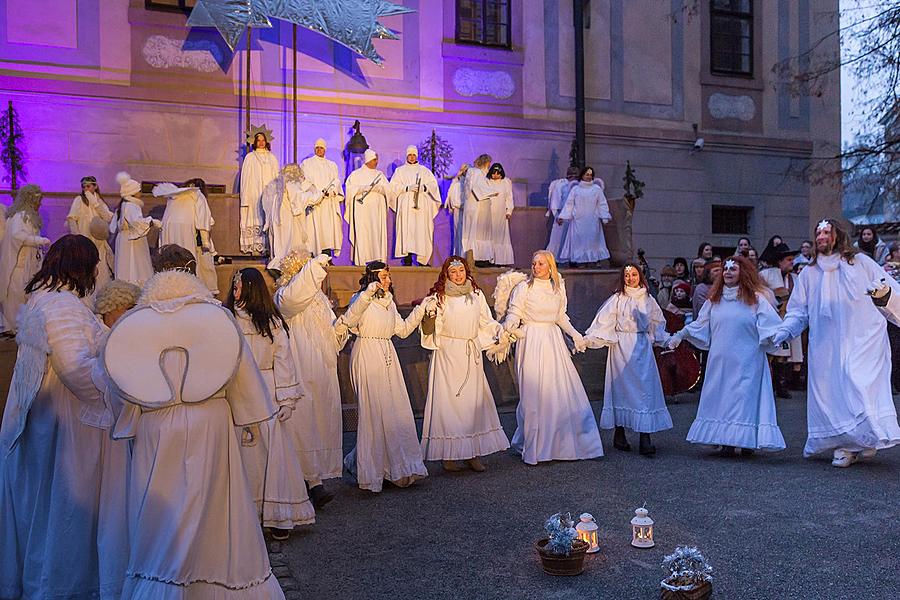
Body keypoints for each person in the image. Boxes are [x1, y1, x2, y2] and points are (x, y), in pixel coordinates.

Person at [103, 267, 284, 598]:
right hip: (210, 422)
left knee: (160, 508)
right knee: (215, 505)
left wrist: (131, 418)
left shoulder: (137, 322)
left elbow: (120, 382)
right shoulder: (215, 317)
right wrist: (249, 419)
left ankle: (161, 581)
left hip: (155, 426)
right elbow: (240, 372)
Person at [0, 235, 129, 599]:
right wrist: (115, 395)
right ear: (82, 266)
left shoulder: (51, 300)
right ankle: (64, 587)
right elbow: (75, 368)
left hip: (52, 421)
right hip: (68, 426)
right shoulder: (62, 307)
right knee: (65, 511)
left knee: (48, 510)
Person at [772, 219, 900, 467]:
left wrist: (884, 296)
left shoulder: (861, 263)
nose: (820, 237)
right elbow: (799, 311)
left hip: (862, 340)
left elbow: (890, 289)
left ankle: (863, 439)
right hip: (825, 345)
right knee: (830, 392)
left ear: (838, 236)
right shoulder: (809, 273)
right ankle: (846, 445)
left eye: (826, 232)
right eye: (817, 232)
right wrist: (785, 331)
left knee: (857, 383)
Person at [225, 268, 315, 539]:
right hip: (236, 392)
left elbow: (283, 359)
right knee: (242, 454)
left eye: (240, 287)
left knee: (271, 453)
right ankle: (244, 516)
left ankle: (276, 515)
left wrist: (287, 399)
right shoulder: (226, 320)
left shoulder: (271, 323)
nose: (236, 292)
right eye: (234, 287)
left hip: (266, 392)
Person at [668, 257, 786, 455]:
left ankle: (747, 441)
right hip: (721, 360)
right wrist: (681, 334)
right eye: (725, 269)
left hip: (748, 360)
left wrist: (780, 335)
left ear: (743, 272)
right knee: (723, 398)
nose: (728, 272)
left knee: (745, 399)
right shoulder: (715, 300)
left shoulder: (755, 299)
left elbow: (770, 324)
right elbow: (700, 324)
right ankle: (726, 442)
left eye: (734, 269)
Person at [334, 261, 430, 492]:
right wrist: (367, 293)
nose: (388, 281)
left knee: (392, 410)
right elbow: (352, 317)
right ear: (373, 278)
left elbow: (403, 330)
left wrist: (421, 309)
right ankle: (372, 470)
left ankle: (392, 466)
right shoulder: (361, 298)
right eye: (384, 277)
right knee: (373, 412)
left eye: (389, 277)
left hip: (388, 354)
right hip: (367, 353)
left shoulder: (389, 302)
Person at [501, 251, 603, 464]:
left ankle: (559, 445)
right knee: (533, 394)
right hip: (530, 340)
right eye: (534, 263)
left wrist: (575, 334)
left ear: (550, 266)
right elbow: (514, 312)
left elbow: (560, 316)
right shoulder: (524, 288)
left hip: (553, 341)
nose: (536, 267)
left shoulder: (558, 287)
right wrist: (509, 326)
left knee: (558, 391)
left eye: (541, 263)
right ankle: (534, 446)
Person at [419, 256, 510, 471]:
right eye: (454, 272)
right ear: (447, 275)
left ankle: (472, 453)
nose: (458, 275)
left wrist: (499, 331)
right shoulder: (440, 297)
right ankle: (449, 455)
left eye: (461, 271)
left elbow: (485, 321)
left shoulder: (475, 295)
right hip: (449, 353)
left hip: (470, 352)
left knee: (471, 404)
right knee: (451, 405)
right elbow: (433, 326)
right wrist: (429, 321)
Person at [273, 252, 346, 507]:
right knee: (302, 424)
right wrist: (314, 266)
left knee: (319, 422)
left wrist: (344, 326)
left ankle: (315, 480)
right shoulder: (284, 295)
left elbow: (330, 331)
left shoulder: (320, 301)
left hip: (322, 370)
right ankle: (307, 484)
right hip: (300, 367)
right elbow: (294, 298)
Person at [584, 263, 673, 456]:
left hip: (641, 347)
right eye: (627, 275)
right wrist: (590, 339)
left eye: (634, 274)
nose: (630, 278)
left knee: (644, 390)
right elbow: (603, 322)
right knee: (621, 390)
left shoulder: (648, 299)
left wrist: (666, 340)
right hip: (621, 348)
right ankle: (620, 433)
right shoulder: (617, 299)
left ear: (639, 276)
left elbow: (657, 323)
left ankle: (644, 436)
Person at [0, 184, 50, 332]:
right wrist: (37, 241)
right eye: (38, 200)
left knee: (25, 292)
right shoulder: (19, 216)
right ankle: (14, 325)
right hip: (19, 262)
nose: (40, 203)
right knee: (17, 293)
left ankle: (22, 325)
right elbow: (17, 235)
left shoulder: (29, 216)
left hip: (29, 261)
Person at [153, 181, 219, 294]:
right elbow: (203, 221)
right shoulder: (198, 195)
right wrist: (205, 242)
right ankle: (190, 290)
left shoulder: (173, 198)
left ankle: (169, 289)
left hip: (169, 227)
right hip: (187, 228)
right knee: (187, 258)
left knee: (170, 259)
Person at [759, 243, 804, 398]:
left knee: (786, 354)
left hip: (790, 319)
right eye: (789, 260)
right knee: (775, 352)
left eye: (792, 259)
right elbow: (761, 294)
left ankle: (782, 385)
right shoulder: (766, 275)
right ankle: (773, 384)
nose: (792, 262)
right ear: (780, 262)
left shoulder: (795, 278)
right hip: (774, 319)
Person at [390, 145, 441, 266]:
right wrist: (406, 188)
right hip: (406, 204)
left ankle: (422, 259)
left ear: (416, 156)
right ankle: (407, 259)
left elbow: (433, 185)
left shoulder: (424, 171)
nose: (412, 157)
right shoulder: (400, 171)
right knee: (407, 230)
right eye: (410, 155)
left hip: (421, 206)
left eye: (414, 155)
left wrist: (424, 187)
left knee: (421, 231)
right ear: (406, 156)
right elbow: (393, 187)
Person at [262, 163, 319, 269]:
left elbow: (266, 202)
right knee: (290, 240)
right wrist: (316, 195)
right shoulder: (292, 183)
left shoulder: (276, 184)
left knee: (280, 240)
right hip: (288, 217)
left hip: (277, 218)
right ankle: (289, 264)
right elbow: (298, 199)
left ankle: (280, 259)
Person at [66, 176, 114, 294]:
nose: (85, 189)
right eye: (83, 187)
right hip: (85, 241)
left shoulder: (99, 201)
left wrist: (96, 204)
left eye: (88, 186)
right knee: (86, 269)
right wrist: (77, 238)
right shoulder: (79, 200)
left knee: (101, 268)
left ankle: (101, 296)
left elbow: (108, 217)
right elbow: (72, 219)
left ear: (95, 186)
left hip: (99, 241)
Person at [111, 172, 159, 286]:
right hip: (132, 240)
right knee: (134, 265)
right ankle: (135, 286)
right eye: (138, 190)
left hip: (124, 239)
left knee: (126, 265)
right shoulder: (131, 206)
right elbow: (137, 222)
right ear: (133, 192)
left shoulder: (123, 205)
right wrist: (152, 221)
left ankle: (125, 286)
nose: (140, 192)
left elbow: (112, 227)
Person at [345, 149, 393, 265]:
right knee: (364, 234)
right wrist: (363, 188)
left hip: (376, 212)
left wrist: (380, 189)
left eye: (377, 159)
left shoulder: (380, 175)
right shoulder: (356, 175)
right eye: (374, 159)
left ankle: (377, 260)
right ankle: (362, 260)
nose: (376, 162)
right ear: (368, 159)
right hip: (362, 212)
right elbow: (350, 189)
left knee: (376, 234)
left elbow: (388, 190)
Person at [558, 166, 611, 267]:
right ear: (582, 175)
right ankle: (580, 261)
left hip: (592, 221)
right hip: (578, 221)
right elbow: (569, 204)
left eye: (591, 175)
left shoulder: (596, 189)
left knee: (592, 241)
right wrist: (563, 216)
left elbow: (602, 203)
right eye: (587, 174)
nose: (589, 177)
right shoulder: (576, 189)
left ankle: (593, 261)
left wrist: (604, 216)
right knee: (579, 242)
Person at [301, 138, 344, 257]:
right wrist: (317, 193)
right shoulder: (307, 163)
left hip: (328, 203)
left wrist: (331, 190)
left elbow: (336, 180)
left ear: (325, 149)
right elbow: (305, 181)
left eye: (321, 148)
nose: (319, 150)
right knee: (314, 230)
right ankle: (313, 257)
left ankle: (327, 257)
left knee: (327, 231)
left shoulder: (332, 165)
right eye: (317, 148)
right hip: (315, 202)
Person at [239, 128, 279, 254]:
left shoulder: (272, 158)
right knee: (256, 216)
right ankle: (254, 247)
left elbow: (277, 177)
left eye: (263, 140)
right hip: (254, 193)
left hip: (269, 194)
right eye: (258, 140)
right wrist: (245, 196)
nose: (261, 142)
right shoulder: (250, 158)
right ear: (255, 142)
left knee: (268, 217)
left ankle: (268, 247)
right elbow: (245, 178)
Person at [460, 153, 496, 266]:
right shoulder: (475, 172)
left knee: (479, 232)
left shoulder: (478, 173)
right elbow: (477, 188)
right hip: (477, 206)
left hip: (478, 205)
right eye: (489, 163)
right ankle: (477, 257)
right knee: (477, 231)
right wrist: (492, 191)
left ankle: (481, 256)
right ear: (485, 162)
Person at [546, 166, 580, 259]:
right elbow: (555, 201)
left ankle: (572, 259)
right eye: (573, 176)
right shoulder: (561, 185)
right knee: (558, 238)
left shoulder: (578, 185)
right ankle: (555, 259)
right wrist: (558, 215)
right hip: (562, 216)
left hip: (574, 217)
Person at [486, 162, 515, 266]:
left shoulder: (506, 182)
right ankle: (490, 259)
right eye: (494, 173)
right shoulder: (487, 181)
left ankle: (502, 261)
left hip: (501, 214)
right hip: (489, 212)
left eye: (498, 173)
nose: (496, 175)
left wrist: (509, 211)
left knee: (501, 236)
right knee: (490, 235)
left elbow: (509, 197)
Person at [446, 163, 469, 256]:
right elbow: (451, 196)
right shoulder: (456, 184)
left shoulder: (469, 184)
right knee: (458, 233)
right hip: (458, 210)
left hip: (467, 211)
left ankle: (467, 255)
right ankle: (458, 255)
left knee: (466, 234)